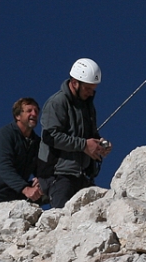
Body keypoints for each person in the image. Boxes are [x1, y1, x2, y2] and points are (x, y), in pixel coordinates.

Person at [40, 58, 111, 209]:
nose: (91, 93)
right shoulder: (57, 102)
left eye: (93, 88)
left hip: (81, 176)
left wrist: (99, 144)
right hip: (58, 175)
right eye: (87, 88)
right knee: (63, 218)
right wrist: (84, 145)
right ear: (74, 82)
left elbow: (90, 134)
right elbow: (50, 136)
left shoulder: (87, 107)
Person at [0, 97, 45, 205]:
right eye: (29, 111)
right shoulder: (5, 135)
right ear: (17, 116)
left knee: (53, 185)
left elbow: (42, 166)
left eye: (36, 111)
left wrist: (41, 179)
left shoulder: (36, 142)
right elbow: (4, 167)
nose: (34, 114)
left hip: (15, 196)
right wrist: (25, 189)